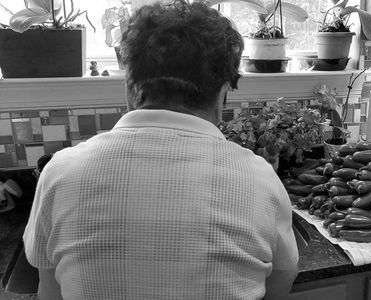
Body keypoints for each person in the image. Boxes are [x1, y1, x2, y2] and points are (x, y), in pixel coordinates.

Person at [22, 1, 299, 299]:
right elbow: (281, 279)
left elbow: (49, 289)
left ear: (130, 88)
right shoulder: (259, 179)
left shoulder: (60, 173)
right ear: (222, 96)